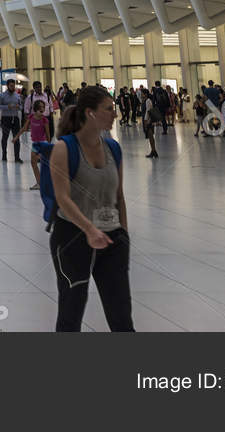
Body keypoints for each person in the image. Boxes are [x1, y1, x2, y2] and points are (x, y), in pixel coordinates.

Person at [46, 87, 132, 332]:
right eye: (108, 109)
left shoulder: (113, 148)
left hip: (112, 238)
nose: (114, 114)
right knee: (71, 312)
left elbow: (119, 196)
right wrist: (90, 230)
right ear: (90, 113)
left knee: (121, 315)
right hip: (72, 237)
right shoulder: (64, 149)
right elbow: (63, 198)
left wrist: (123, 233)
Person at [0, 79, 24, 162]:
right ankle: (4, 155)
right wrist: (7, 107)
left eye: (13, 86)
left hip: (15, 118)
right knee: (5, 137)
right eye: (11, 86)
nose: (12, 87)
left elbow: (21, 106)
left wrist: (18, 107)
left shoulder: (17, 95)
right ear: (7, 86)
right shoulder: (2, 95)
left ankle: (17, 157)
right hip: (6, 118)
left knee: (16, 137)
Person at [26, 101, 51, 186]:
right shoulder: (32, 117)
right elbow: (26, 127)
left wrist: (48, 145)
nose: (42, 109)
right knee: (34, 163)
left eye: (43, 107)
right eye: (40, 107)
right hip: (35, 144)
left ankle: (43, 183)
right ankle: (39, 183)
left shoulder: (44, 119)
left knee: (41, 163)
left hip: (42, 144)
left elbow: (48, 134)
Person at [141, 88, 160, 158]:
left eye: (142, 93)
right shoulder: (144, 100)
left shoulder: (148, 101)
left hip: (148, 121)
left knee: (150, 135)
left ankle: (154, 151)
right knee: (150, 136)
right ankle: (153, 150)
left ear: (145, 94)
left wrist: (146, 121)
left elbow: (148, 111)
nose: (141, 94)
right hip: (146, 120)